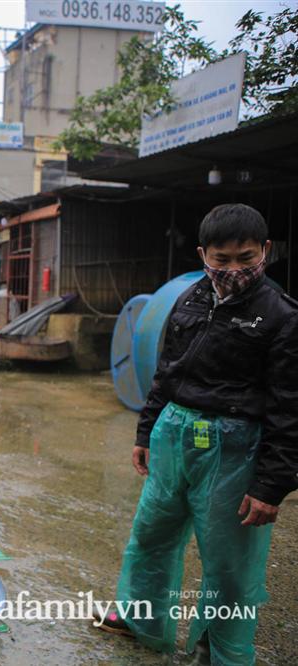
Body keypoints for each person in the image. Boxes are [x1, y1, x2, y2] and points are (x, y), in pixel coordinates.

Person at [96, 204, 297, 665]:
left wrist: (271, 485)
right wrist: (146, 429)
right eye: (221, 260)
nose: (232, 271)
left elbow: (290, 408)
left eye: (245, 259)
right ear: (204, 254)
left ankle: (219, 650)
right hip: (173, 433)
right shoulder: (190, 299)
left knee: (229, 563)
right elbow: (167, 373)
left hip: (234, 447)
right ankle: (139, 619)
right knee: (150, 535)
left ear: (265, 252)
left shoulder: (282, 316)